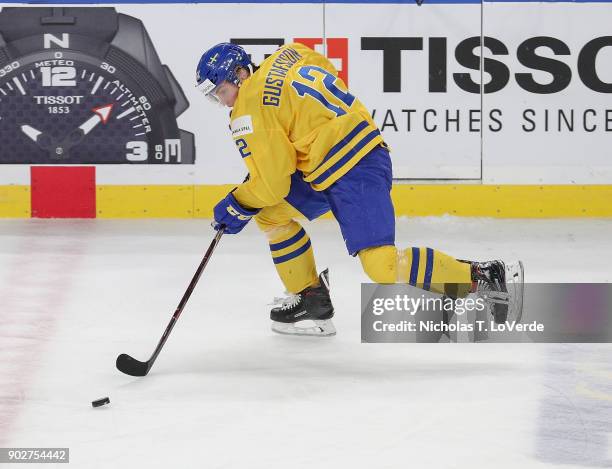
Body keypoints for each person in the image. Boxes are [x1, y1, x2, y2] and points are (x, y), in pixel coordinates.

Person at [196, 42, 523, 337]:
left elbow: (273, 183)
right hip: (341, 158)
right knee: (270, 215)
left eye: (222, 91)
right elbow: (324, 78)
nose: (223, 102)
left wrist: (236, 203)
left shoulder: (248, 107)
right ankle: (312, 300)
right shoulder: (290, 52)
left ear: (240, 74)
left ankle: (481, 276)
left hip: (353, 169)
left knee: (381, 266)